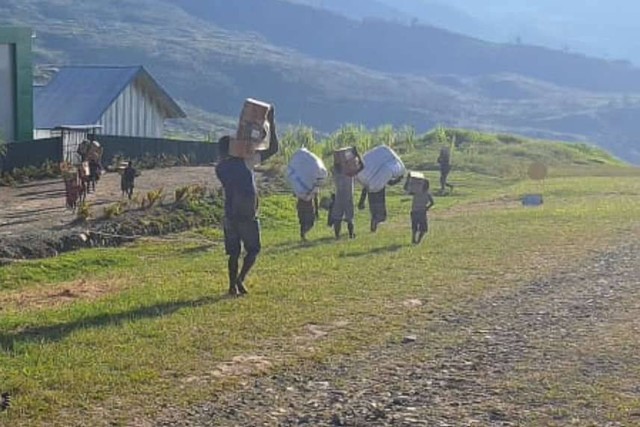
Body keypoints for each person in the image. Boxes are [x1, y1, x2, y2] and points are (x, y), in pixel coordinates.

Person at [215, 106, 278, 297]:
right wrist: (271, 123)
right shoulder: (246, 162)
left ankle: (232, 286)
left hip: (230, 214)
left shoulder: (220, 168)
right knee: (254, 249)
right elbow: (274, 148)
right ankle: (240, 279)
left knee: (233, 253)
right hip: (247, 214)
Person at [330, 163, 359, 239]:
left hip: (339, 196)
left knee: (337, 217)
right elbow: (359, 167)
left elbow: (332, 169)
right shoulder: (350, 170)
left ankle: (337, 235)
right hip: (348, 196)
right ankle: (351, 234)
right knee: (350, 217)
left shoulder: (336, 170)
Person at [407, 178, 435, 244]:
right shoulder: (427, 193)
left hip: (414, 211)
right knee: (423, 228)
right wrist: (427, 207)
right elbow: (432, 202)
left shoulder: (416, 191)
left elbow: (408, 190)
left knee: (415, 226)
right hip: (421, 212)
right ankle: (418, 241)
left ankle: (414, 239)